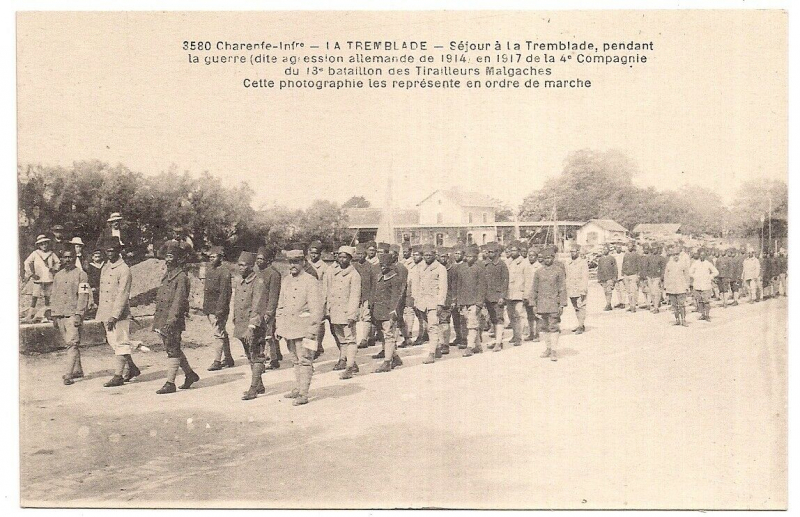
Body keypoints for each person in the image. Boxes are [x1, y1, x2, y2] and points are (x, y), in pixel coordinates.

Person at [152, 242, 199, 394]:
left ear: (179, 259)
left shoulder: (181, 278)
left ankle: (170, 383)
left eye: (171, 256)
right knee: (173, 348)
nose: (167, 259)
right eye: (167, 256)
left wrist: (170, 322)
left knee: (172, 350)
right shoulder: (167, 276)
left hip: (172, 321)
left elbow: (178, 302)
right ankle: (190, 374)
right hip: (162, 319)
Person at [277, 249, 324, 406]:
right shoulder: (286, 281)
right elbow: (281, 306)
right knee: (295, 360)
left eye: (296, 262)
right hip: (289, 328)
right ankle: (298, 388)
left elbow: (317, 310)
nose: (293, 265)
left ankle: (303, 393)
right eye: (290, 262)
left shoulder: (311, 281)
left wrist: (312, 331)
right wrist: (279, 326)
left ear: (303, 262)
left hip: (305, 330)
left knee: (305, 360)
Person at [96, 237, 140, 387]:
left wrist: (114, 316)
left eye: (112, 251)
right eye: (107, 251)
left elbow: (123, 294)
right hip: (105, 311)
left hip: (119, 314)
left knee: (120, 342)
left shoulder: (124, 269)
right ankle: (132, 368)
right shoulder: (106, 266)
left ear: (119, 251)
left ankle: (118, 376)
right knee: (114, 342)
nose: (109, 254)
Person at [50, 249, 90, 385]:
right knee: (70, 343)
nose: (67, 260)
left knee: (72, 343)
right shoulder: (58, 276)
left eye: (70, 257)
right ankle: (78, 370)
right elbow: (53, 295)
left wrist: (79, 313)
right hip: (60, 314)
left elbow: (84, 296)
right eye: (65, 257)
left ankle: (68, 374)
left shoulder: (82, 275)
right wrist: (54, 314)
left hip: (73, 314)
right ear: (61, 259)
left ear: (75, 258)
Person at [233, 251, 269, 401]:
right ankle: (259, 384)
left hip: (254, 326)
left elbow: (258, 307)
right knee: (249, 355)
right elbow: (236, 302)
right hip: (242, 325)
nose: (241, 268)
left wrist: (251, 327)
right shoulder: (240, 280)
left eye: (244, 265)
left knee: (257, 356)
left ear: (252, 266)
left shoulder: (258, 282)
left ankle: (253, 388)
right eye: (239, 265)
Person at [324, 246, 362, 379]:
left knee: (350, 339)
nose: (342, 259)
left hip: (347, 312)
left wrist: (352, 314)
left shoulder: (354, 275)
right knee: (341, 339)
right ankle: (349, 361)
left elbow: (355, 296)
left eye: (345, 257)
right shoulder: (332, 271)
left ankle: (349, 367)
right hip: (335, 311)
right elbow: (327, 290)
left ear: (350, 259)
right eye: (340, 257)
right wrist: (326, 309)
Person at [408, 243, 448, 364]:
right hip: (422, 303)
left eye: (430, 255)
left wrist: (440, 303)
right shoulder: (419, 268)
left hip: (434, 302)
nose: (427, 257)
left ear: (434, 255)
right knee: (427, 326)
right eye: (425, 255)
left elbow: (443, 287)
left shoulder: (441, 268)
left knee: (432, 326)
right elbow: (415, 285)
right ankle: (436, 348)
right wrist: (416, 300)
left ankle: (431, 353)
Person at [530, 248, 567, 362]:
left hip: (553, 304)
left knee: (554, 326)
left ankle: (554, 351)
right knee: (544, 327)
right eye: (545, 258)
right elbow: (534, 289)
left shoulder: (558, 271)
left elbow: (562, 288)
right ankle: (548, 348)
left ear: (553, 258)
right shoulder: (539, 272)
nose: (547, 260)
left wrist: (562, 304)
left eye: (549, 258)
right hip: (541, 304)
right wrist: (533, 304)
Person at [372, 253, 405, 372]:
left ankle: (387, 362)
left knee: (389, 336)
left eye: (385, 265)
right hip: (379, 312)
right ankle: (395, 357)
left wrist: (393, 312)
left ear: (390, 265)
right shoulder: (380, 276)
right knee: (383, 336)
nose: (382, 267)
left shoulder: (395, 278)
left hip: (388, 312)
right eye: (381, 265)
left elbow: (396, 297)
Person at [204, 246, 234, 371]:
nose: (211, 258)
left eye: (214, 256)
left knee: (218, 334)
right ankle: (228, 358)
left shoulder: (224, 272)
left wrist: (220, 310)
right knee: (221, 332)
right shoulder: (210, 270)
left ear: (220, 258)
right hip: (210, 307)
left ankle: (217, 361)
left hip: (218, 309)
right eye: (210, 256)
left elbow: (225, 293)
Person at [456, 244, 487, 356]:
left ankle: (470, 347)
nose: (468, 258)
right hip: (464, 302)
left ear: (475, 258)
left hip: (475, 302)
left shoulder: (479, 269)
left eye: (471, 257)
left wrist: (479, 303)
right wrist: (459, 301)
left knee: (472, 324)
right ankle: (478, 346)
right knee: (470, 323)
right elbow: (459, 285)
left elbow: (482, 287)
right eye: (467, 256)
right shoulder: (461, 269)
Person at [255, 246, 283, 369]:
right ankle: (269, 357)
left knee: (268, 336)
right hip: (257, 310)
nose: (259, 261)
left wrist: (269, 312)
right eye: (257, 259)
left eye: (261, 259)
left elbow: (273, 295)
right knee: (260, 335)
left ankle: (272, 359)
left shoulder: (274, 274)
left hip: (267, 310)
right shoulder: (256, 273)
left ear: (268, 260)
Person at [23, 234, 61, 320]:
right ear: (39, 245)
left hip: (49, 277)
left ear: (48, 244)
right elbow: (27, 262)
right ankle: (30, 315)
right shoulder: (35, 253)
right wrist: (31, 274)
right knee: (35, 296)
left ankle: (46, 314)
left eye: (45, 243)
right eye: (42, 244)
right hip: (38, 278)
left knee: (47, 296)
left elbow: (58, 262)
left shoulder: (51, 253)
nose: (44, 245)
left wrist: (54, 268)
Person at [352, 243, 376, 360]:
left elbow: (373, 284)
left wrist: (371, 298)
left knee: (367, 317)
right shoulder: (353, 267)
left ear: (365, 255)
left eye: (362, 254)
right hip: (355, 297)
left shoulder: (371, 267)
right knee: (355, 317)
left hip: (366, 296)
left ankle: (364, 339)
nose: (360, 256)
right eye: (358, 253)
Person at [483, 242, 509, 350]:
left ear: (497, 253)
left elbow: (505, 282)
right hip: (488, 296)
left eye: (492, 252)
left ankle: (499, 342)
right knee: (493, 319)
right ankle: (497, 340)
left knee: (499, 318)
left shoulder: (502, 265)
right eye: (488, 252)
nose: (489, 254)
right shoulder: (486, 264)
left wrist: (503, 296)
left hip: (498, 297)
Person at [505, 241, 532, 346]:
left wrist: (526, 294)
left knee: (518, 315)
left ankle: (519, 337)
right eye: (511, 250)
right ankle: (514, 335)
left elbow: (528, 280)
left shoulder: (525, 263)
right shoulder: (508, 262)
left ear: (519, 251)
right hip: (509, 293)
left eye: (514, 250)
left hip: (519, 294)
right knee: (511, 315)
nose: (512, 252)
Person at [565, 243, 589, 333]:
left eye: (574, 252)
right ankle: (580, 324)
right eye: (571, 252)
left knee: (581, 306)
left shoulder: (583, 263)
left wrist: (583, 290)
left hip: (579, 289)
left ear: (578, 252)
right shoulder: (568, 263)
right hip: (571, 289)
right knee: (576, 307)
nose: (572, 253)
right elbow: (566, 276)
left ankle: (580, 325)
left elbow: (585, 277)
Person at [663, 247, 691, 326]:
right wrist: (665, 286)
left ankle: (683, 320)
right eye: (674, 255)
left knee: (681, 305)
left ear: (679, 255)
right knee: (674, 305)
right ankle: (677, 320)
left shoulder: (683, 264)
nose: (675, 256)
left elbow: (686, 276)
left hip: (681, 287)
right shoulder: (669, 264)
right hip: (671, 288)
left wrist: (687, 286)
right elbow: (666, 276)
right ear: (672, 256)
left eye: (677, 254)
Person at [689, 249, 719, 321]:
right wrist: (695, 276)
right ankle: (702, 314)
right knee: (700, 301)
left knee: (706, 301)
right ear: (699, 255)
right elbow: (690, 272)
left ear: (705, 256)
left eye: (703, 255)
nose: (702, 256)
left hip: (706, 285)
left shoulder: (708, 263)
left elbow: (716, 272)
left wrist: (710, 276)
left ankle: (707, 315)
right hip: (697, 284)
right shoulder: (695, 263)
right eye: (701, 255)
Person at [643, 245, 667, 313]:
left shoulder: (661, 258)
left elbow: (663, 269)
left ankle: (656, 307)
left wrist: (662, 277)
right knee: (651, 293)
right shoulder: (648, 258)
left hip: (657, 277)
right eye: (653, 249)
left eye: (656, 249)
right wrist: (646, 276)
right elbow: (645, 267)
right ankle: (654, 305)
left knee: (656, 292)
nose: (654, 250)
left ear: (658, 249)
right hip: (650, 277)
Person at [524, 248, 542, 341]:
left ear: (536, 257)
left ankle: (537, 334)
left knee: (537, 315)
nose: (531, 258)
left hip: (536, 294)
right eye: (529, 256)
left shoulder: (539, 267)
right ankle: (531, 333)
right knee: (529, 315)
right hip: (527, 294)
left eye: (532, 256)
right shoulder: (526, 266)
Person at [596, 245, 618, 311]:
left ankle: (608, 304)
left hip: (610, 277)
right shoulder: (601, 259)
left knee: (609, 291)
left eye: (606, 249)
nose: (605, 250)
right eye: (604, 249)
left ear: (608, 250)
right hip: (603, 278)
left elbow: (615, 268)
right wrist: (599, 278)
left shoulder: (612, 258)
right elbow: (599, 269)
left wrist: (614, 278)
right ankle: (608, 304)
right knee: (605, 291)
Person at [621, 242, 642, 312]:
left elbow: (639, 265)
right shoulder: (626, 255)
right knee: (628, 292)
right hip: (626, 275)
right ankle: (631, 305)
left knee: (633, 291)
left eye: (631, 246)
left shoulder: (636, 255)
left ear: (633, 247)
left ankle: (633, 306)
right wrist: (623, 273)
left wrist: (638, 275)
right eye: (628, 246)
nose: (629, 247)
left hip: (633, 275)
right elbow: (623, 264)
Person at [85, 248, 105, 317]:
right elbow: (90, 277)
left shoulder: (104, 265)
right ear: (93, 257)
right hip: (95, 285)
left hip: (103, 284)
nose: (97, 258)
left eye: (99, 257)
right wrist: (92, 286)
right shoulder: (91, 266)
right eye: (96, 257)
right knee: (96, 298)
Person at [611, 243, 627, 308]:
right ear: (615, 248)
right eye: (617, 247)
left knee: (622, 289)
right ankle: (620, 302)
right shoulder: (613, 256)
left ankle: (623, 302)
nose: (618, 249)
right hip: (615, 275)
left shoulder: (624, 256)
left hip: (622, 275)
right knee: (617, 289)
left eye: (620, 247)